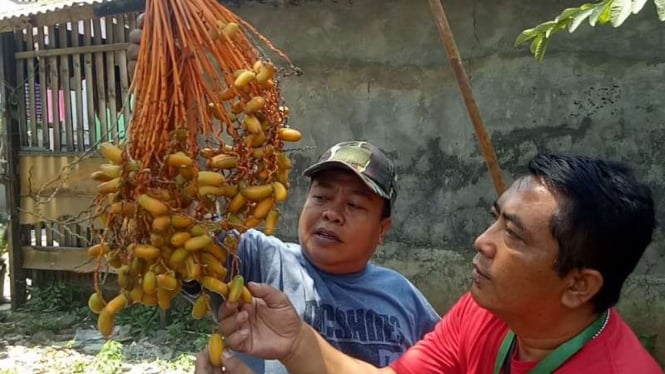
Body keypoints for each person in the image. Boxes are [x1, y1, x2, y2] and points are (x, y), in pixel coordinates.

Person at [126, 17, 441, 374]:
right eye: (321, 197)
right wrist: (166, 93)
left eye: (353, 204)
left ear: (383, 230)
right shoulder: (261, 259)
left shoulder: (402, 296)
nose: (332, 213)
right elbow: (175, 216)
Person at [215, 153, 664, 373]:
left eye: (513, 235)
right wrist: (297, 345)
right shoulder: (483, 312)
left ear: (579, 286)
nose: (481, 242)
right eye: (495, 220)